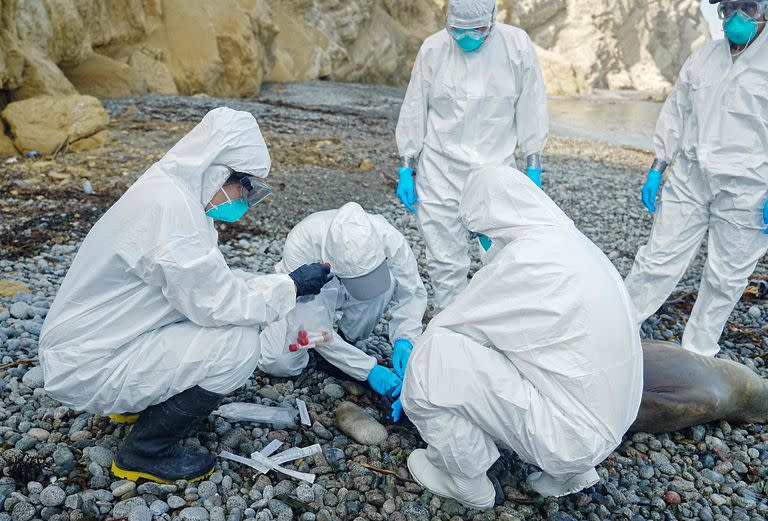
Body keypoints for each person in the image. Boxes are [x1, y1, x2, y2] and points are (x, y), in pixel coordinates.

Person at [38, 108, 333, 484]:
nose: (245, 198)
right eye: (246, 187)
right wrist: (291, 286)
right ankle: (145, 452)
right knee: (237, 345)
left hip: (96, 341)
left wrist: (277, 283)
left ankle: (141, 401)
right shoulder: (172, 213)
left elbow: (206, 283)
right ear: (217, 170)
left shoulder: (171, 191)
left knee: (221, 325)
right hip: (88, 365)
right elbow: (219, 303)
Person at [400, 166, 643, 509]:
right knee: (548, 354)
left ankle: (465, 481)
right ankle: (570, 475)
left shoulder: (524, 259)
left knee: (430, 360)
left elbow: (452, 328)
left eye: (480, 234)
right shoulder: (576, 245)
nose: (482, 244)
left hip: (570, 438)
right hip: (611, 426)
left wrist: (412, 375)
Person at [624, 0, 768, 357]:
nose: (736, 18)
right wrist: (658, 166)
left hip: (749, 189)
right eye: (728, 9)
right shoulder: (703, 58)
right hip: (690, 177)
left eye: (746, 8)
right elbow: (675, 112)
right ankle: (620, 325)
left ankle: (698, 352)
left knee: (726, 277)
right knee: (657, 258)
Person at [395, 0, 549, 312]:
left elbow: (532, 104)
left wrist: (533, 161)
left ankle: (492, 324)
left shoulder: (515, 45)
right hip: (440, 170)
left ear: (492, 19)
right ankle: (451, 328)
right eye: (458, 31)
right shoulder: (433, 49)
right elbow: (415, 107)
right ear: (447, 22)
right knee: (444, 261)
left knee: (502, 256)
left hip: (495, 171)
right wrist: (406, 165)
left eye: (476, 30)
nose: (467, 38)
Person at [258, 202, 428, 419]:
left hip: (350, 288)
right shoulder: (302, 242)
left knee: (387, 284)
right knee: (278, 362)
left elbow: (412, 290)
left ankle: (348, 340)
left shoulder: (386, 234)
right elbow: (313, 324)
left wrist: (405, 338)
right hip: (312, 292)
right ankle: (333, 355)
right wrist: (368, 370)